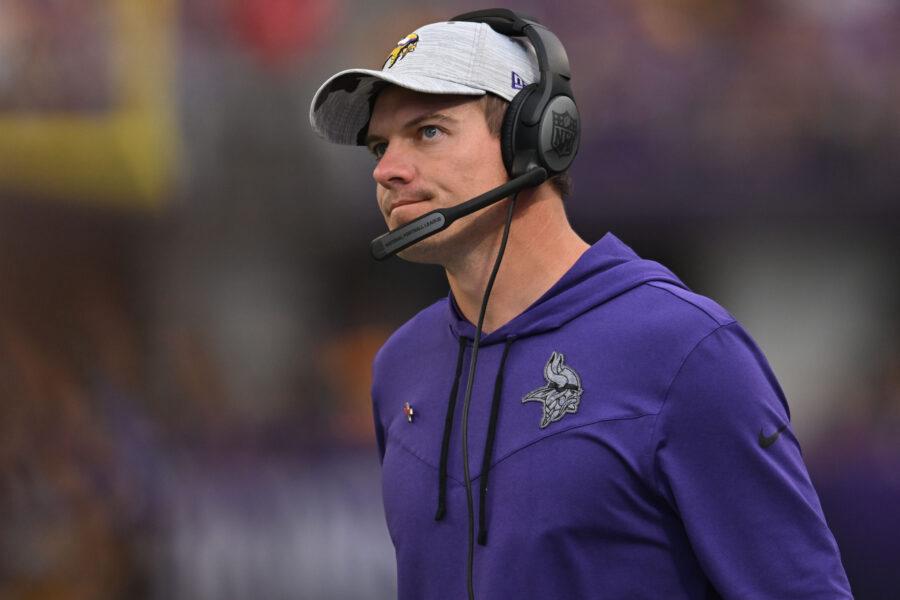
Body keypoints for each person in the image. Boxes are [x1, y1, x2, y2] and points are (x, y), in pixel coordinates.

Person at [309, 10, 852, 600]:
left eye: (429, 132)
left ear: (534, 137)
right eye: (379, 147)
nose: (388, 170)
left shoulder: (685, 351)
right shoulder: (399, 368)